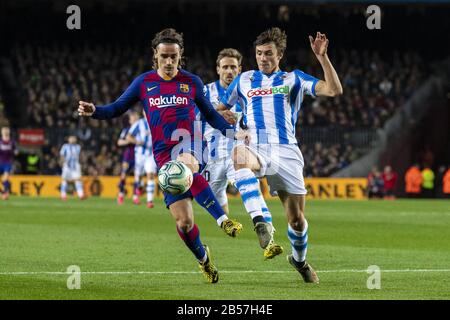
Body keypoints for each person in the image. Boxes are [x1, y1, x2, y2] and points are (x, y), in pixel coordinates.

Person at [78, 28, 242, 283]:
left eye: (173, 57)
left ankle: (223, 220)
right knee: (184, 223)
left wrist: (234, 135)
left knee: (187, 164)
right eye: (164, 56)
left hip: (191, 144)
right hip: (163, 157)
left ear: (180, 56)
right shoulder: (144, 83)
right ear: (155, 55)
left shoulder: (192, 82)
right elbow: (117, 108)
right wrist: (94, 110)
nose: (168, 62)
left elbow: (210, 114)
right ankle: (203, 259)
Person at [218, 28, 343, 283]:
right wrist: (226, 120)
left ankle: (300, 261)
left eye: (268, 54)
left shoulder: (293, 79)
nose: (263, 58)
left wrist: (322, 57)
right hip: (256, 146)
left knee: (297, 221)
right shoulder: (243, 80)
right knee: (238, 157)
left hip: (286, 152)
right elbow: (221, 108)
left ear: (280, 55)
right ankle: (261, 221)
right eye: (259, 53)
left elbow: (333, 90)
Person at [201, 48, 274, 231]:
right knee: (216, 198)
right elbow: (195, 117)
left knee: (249, 187)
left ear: (239, 69)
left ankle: (267, 228)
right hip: (212, 157)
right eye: (225, 67)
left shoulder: (249, 93)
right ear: (218, 69)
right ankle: (227, 224)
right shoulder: (205, 92)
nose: (229, 71)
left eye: (233, 67)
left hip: (238, 153)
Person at [127, 112, 157, 208]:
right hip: (140, 154)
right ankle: (136, 195)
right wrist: (137, 141)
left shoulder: (156, 122)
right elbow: (128, 136)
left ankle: (150, 200)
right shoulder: (139, 123)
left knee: (150, 175)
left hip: (151, 154)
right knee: (138, 176)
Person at [116, 112, 137, 205]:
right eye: (133, 119)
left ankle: (135, 197)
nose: (135, 120)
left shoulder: (142, 129)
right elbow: (119, 142)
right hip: (128, 155)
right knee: (124, 175)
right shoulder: (126, 130)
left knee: (137, 176)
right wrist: (128, 141)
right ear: (130, 121)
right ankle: (121, 194)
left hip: (139, 155)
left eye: (136, 119)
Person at [59, 135, 85, 200]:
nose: (73, 139)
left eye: (74, 138)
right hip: (67, 166)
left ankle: (81, 195)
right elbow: (62, 155)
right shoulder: (65, 146)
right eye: (71, 138)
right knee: (65, 180)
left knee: (78, 180)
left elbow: (81, 156)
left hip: (76, 166)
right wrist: (62, 163)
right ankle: (63, 195)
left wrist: (82, 163)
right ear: (68, 140)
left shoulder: (78, 147)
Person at [0, 127, 18, 200]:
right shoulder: (0, 141)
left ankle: (5, 193)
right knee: (5, 179)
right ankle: (2, 192)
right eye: (4, 131)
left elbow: (15, 149)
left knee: (5, 178)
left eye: (7, 131)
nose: (6, 132)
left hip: (7, 163)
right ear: (2, 132)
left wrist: (16, 152)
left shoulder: (11, 142)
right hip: (0, 162)